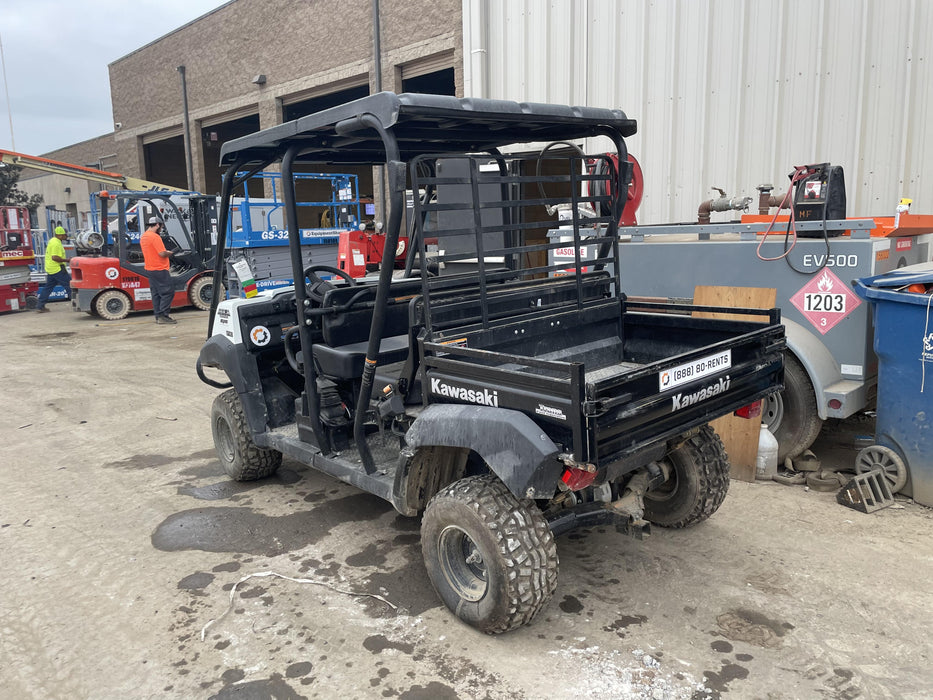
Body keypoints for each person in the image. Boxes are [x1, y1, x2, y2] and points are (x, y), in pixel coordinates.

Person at [139, 217, 178, 324]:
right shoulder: (155, 237)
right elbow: (162, 253)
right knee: (168, 292)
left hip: (150, 269)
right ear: (157, 225)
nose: (161, 229)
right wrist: (170, 253)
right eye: (161, 226)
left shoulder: (144, 236)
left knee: (156, 294)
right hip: (159, 268)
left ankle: (158, 316)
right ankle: (163, 315)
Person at [35, 225, 72, 312]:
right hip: (57, 268)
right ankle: (78, 304)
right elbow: (55, 257)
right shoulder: (56, 244)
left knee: (48, 287)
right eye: (65, 235)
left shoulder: (52, 240)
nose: (66, 236)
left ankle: (40, 306)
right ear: (60, 235)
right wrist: (67, 260)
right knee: (70, 285)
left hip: (51, 268)